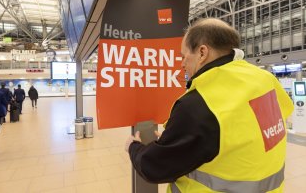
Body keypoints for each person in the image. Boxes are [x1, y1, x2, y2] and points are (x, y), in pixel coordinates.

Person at [125, 18, 294, 193]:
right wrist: (184, 139)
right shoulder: (265, 79)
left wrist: (134, 147)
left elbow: (154, 167)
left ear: (202, 52)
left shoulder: (199, 103)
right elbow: (250, 126)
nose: (182, 64)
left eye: (184, 56)